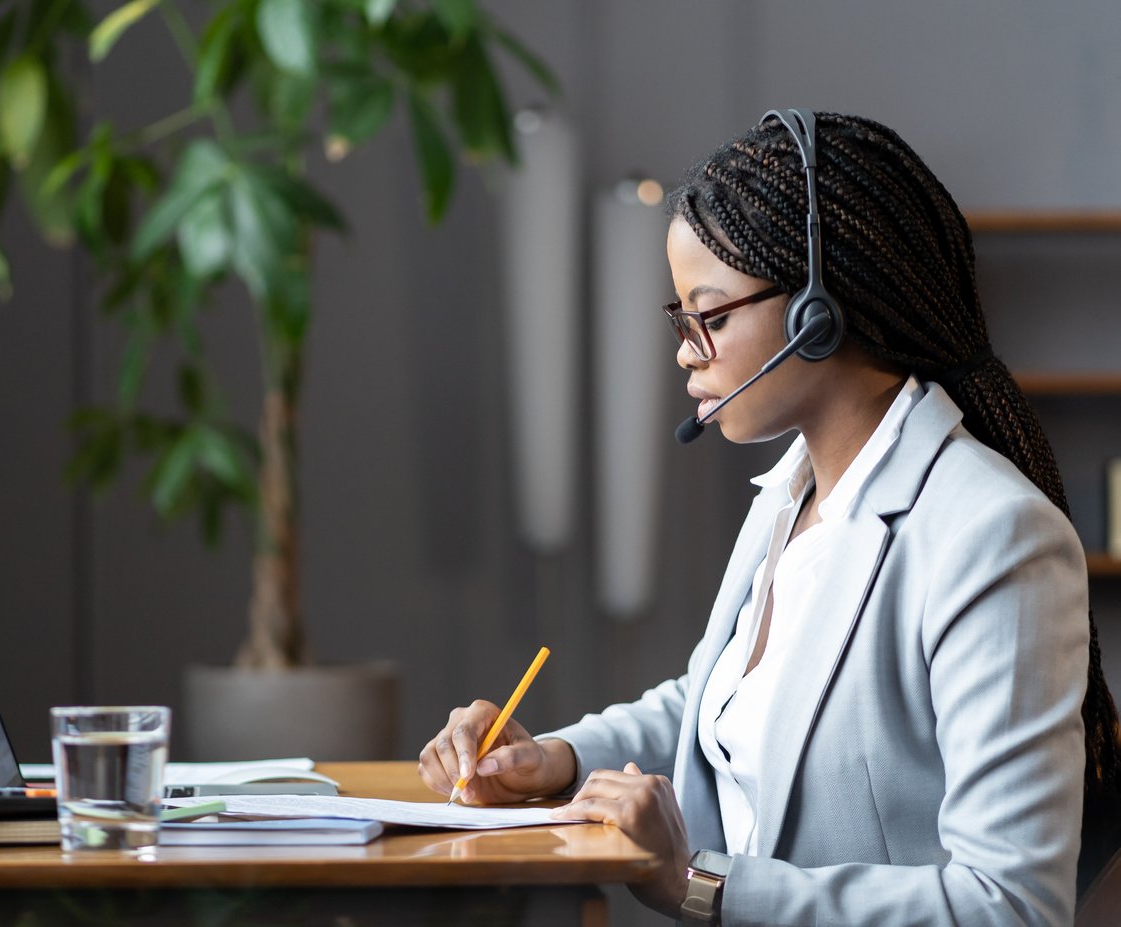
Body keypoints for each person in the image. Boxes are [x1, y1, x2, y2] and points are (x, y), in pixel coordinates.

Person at [418, 109, 1121, 926]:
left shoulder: (992, 538)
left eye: (708, 318)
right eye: (680, 319)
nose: (685, 349)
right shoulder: (794, 494)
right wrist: (557, 760)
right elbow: (725, 705)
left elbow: (1011, 907)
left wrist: (699, 883)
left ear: (816, 315)